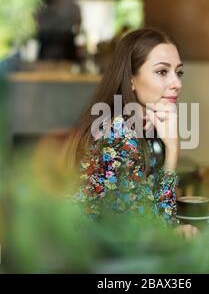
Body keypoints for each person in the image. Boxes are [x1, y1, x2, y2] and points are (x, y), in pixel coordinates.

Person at [65, 28, 198, 240]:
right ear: (130, 79)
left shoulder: (141, 125)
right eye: (162, 72)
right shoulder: (119, 136)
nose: (177, 84)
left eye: (178, 72)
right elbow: (155, 230)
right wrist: (173, 149)